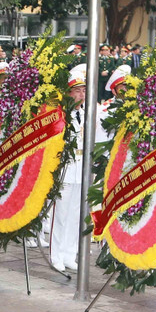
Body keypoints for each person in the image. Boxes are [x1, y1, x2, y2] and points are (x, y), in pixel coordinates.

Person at [49, 68, 86, 272]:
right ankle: (56, 255)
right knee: (61, 215)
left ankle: (69, 254)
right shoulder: (61, 115)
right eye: (77, 90)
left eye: (83, 90)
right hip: (66, 169)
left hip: (81, 169)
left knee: (75, 215)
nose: (81, 94)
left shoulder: (87, 113)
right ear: (69, 93)